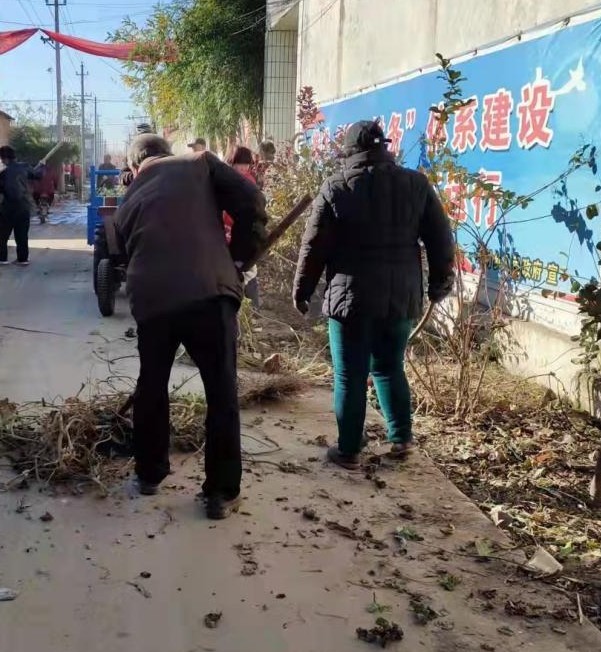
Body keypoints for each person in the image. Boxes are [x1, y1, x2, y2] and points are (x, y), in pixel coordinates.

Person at [114, 134, 268, 520]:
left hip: (152, 301)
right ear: (167, 153)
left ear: (135, 168)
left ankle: (148, 475)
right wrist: (240, 256)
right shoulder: (199, 163)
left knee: (152, 384)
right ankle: (221, 493)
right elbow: (249, 200)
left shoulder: (127, 200)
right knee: (220, 390)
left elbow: (121, 253)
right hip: (208, 293)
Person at [292, 119, 455, 470]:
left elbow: (314, 246)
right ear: (386, 148)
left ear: (349, 151)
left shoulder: (336, 187)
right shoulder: (415, 184)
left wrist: (302, 291)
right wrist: (440, 283)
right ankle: (402, 440)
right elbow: (441, 238)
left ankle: (348, 450)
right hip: (402, 296)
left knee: (349, 375)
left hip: (351, 300)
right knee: (389, 367)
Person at [225, 146, 263, 307]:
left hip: (243, 233)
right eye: (239, 164)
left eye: (246, 164)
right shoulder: (225, 179)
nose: (243, 167)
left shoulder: (249, 182)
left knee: (247, 268)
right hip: (226, 231)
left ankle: (253, 306)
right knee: (239, 269)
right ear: (232, 163)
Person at [0, 145, 37, 265]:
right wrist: (39, 166)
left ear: (5, 159)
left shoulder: (3, 174)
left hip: (8, 208)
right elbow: (37, 175)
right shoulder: (25, 167)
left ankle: (2, 258)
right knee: (22, 234)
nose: (2, 161)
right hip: (24, 207)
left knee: (2, 234)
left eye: (1, 159)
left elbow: (2, 192)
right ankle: (22, 259)